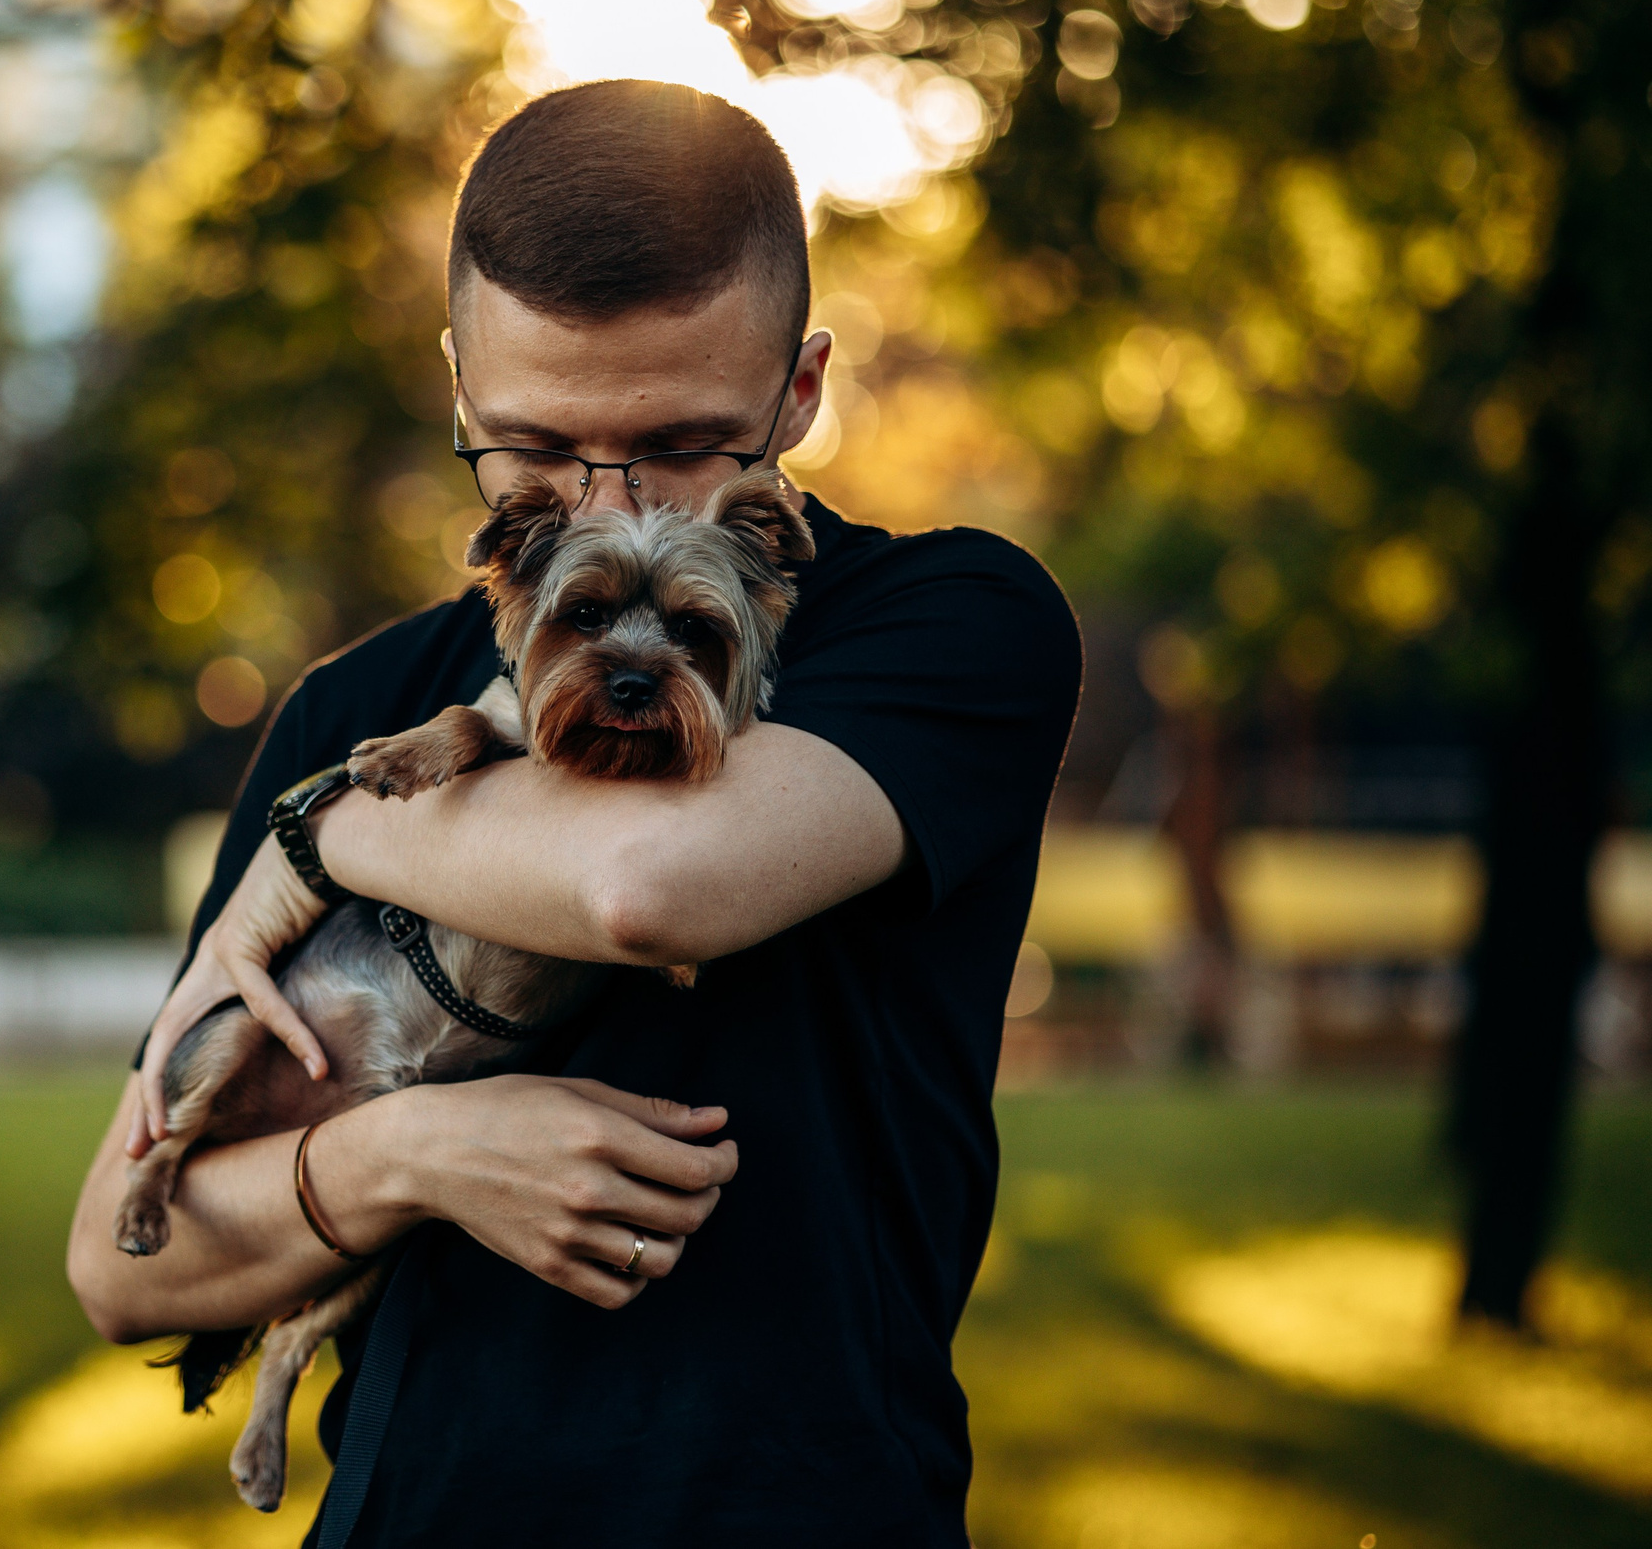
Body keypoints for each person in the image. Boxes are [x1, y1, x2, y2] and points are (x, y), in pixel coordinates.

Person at [67, 79, 1082, 1547]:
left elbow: (646, 887)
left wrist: (326, 831)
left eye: (679, 444)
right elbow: (118, 1268)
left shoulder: (957, 622)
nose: (604, 510)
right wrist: (413, 1156)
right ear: (459, 387)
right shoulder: (356, 696)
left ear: (801, 390)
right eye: (536, 448)